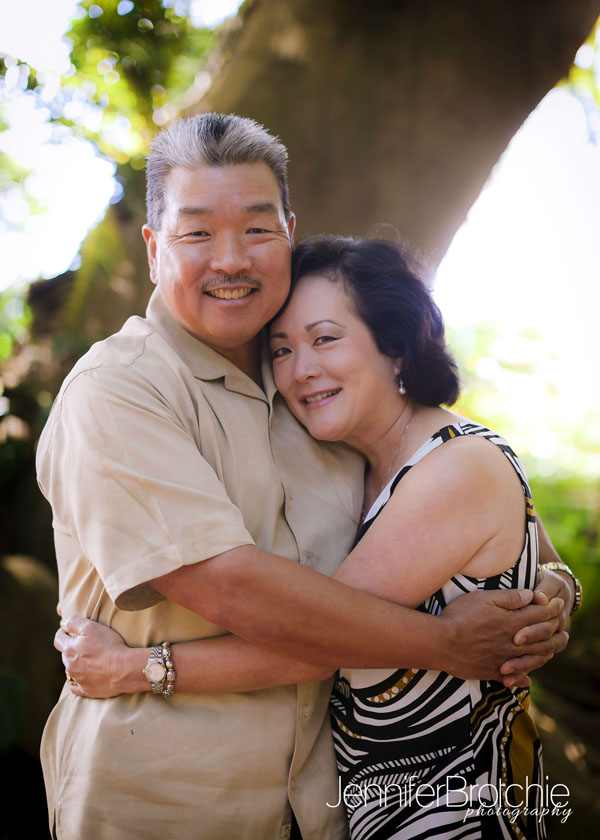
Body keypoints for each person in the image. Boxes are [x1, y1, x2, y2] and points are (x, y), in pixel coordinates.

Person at [38, 113, 572, 840]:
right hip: (166, 802)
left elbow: (469, 496)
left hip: (325, 809)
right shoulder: (120, 390)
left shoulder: (309, 388)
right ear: (155, 247)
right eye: (197, 233)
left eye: (257, 229)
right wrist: (445, 642)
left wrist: (546, 587)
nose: (231, 258)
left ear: (289, 231)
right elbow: (231, 586)